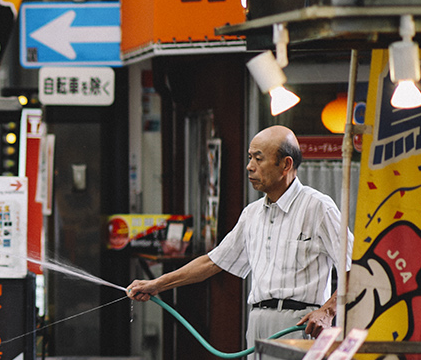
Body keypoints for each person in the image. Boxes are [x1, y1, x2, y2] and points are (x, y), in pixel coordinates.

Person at [126, 126, 351, 344]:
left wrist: (328, 311)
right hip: (257, 320)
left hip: (301, 323)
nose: (249, 167)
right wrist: (157, 284)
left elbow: (357, 268)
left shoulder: (318, 207)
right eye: (250, 157)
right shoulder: (252, 213)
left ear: (286, 164)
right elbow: (212, 262)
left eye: (258, 159)